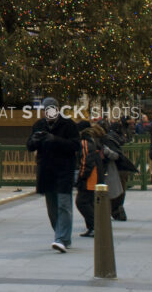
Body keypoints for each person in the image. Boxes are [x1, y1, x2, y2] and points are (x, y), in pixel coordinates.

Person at [26, 97, 80, 253]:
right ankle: (62, 235)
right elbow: (29, 146)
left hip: (64, 169)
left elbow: (75, 145)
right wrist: (34, 140)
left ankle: (61, 238)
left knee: (64, 204)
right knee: (52, 207)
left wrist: (55, 139)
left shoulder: (69, 125)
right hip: (46, 170)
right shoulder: (39, 125)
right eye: (46, 109)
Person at [74, 122, 105, 237]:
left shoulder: (85, 142)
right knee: (89, 202)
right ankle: (92, 227)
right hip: (95, 174)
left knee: (82, 202)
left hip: (90, 176)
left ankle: (95, 226)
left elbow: (86, 161)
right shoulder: (92, 140)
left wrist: (81, 176)